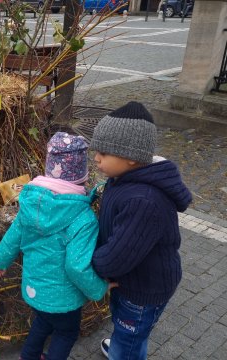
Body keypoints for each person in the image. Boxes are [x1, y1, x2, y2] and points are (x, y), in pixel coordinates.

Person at [0, 133, 114, 360]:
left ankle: (28, 357)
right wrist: (99, 289)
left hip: (33, 290)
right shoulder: (82, 217)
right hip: (63, 298)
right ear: (82, 178)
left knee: (42, 322)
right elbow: (76, 266)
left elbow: (13, 237)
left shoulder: (30, 205)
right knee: (66, 332)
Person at [89, 102, 192, 360]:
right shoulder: (122, 178)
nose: (96, 158)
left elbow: (118, 255)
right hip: (129, 280)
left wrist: (92, 266)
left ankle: (125, 351)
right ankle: (124, 344)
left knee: (131, 336)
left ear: (131, 156)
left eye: (104, 152)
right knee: (127, 328)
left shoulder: (143, 201)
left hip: (144, 289)